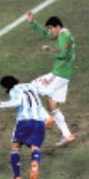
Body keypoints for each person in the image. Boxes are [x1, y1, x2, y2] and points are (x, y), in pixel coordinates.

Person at [27, 12, 76, 148]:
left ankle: (45, 118)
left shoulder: (64, 36)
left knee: (32, 86)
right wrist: (33, 23)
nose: (49, 31)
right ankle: (67, 135)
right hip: (64, 75)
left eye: (50, 28)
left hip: (59, 74)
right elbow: (45, 35)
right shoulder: (62, 35)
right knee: (53, 106)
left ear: (57, 26)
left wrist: (49, 49)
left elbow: (62, 53)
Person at [0, 76, 49, 179]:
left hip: (24, 122)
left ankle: (17, 177)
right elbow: (45, 91)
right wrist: (45, 83)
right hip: (39, 122)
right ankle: (35, 163)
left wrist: (1, 103)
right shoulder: (31, 85)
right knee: (35, 147)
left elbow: (17, 101)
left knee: (15, 146)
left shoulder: (14, 90)